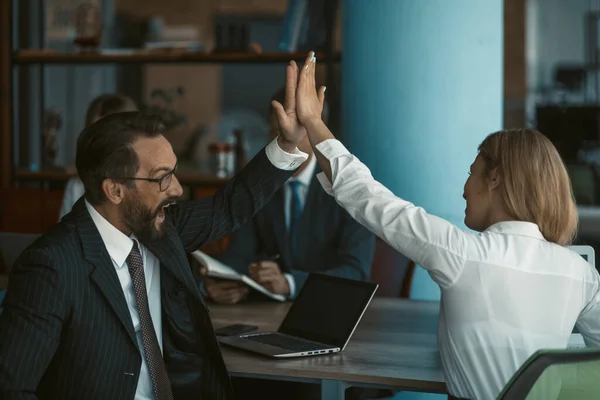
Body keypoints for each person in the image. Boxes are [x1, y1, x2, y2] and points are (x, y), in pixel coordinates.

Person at [273, 52, 600, 400]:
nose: (464, 189)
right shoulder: (580, 273)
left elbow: (367, 197)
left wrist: (312, 120)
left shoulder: (464, 255)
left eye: (471, 172)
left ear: (495, 179)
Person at [0, 101, 312, 399]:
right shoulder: (51, 265)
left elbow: (229, 206)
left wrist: (287, 142)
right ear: (115, 190)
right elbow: (12, 387)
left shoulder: (160, 227)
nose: (176, 189)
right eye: (162, 178)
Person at [203, 88, 375, 305]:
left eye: (294, 132)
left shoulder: (349, 187)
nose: (285, 142)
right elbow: (239, 254)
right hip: (268, 312)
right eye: (277, 132)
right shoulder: (259, 184)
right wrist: (215, 282)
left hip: (331, 309)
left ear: (318, 132)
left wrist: (290, 283)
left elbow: (356, 272)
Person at [59, 93, 138, 219]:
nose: (100, 143)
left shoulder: (146, 182)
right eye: (94, 134)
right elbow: (62, 234)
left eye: (108, 135)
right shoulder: (77, 186)